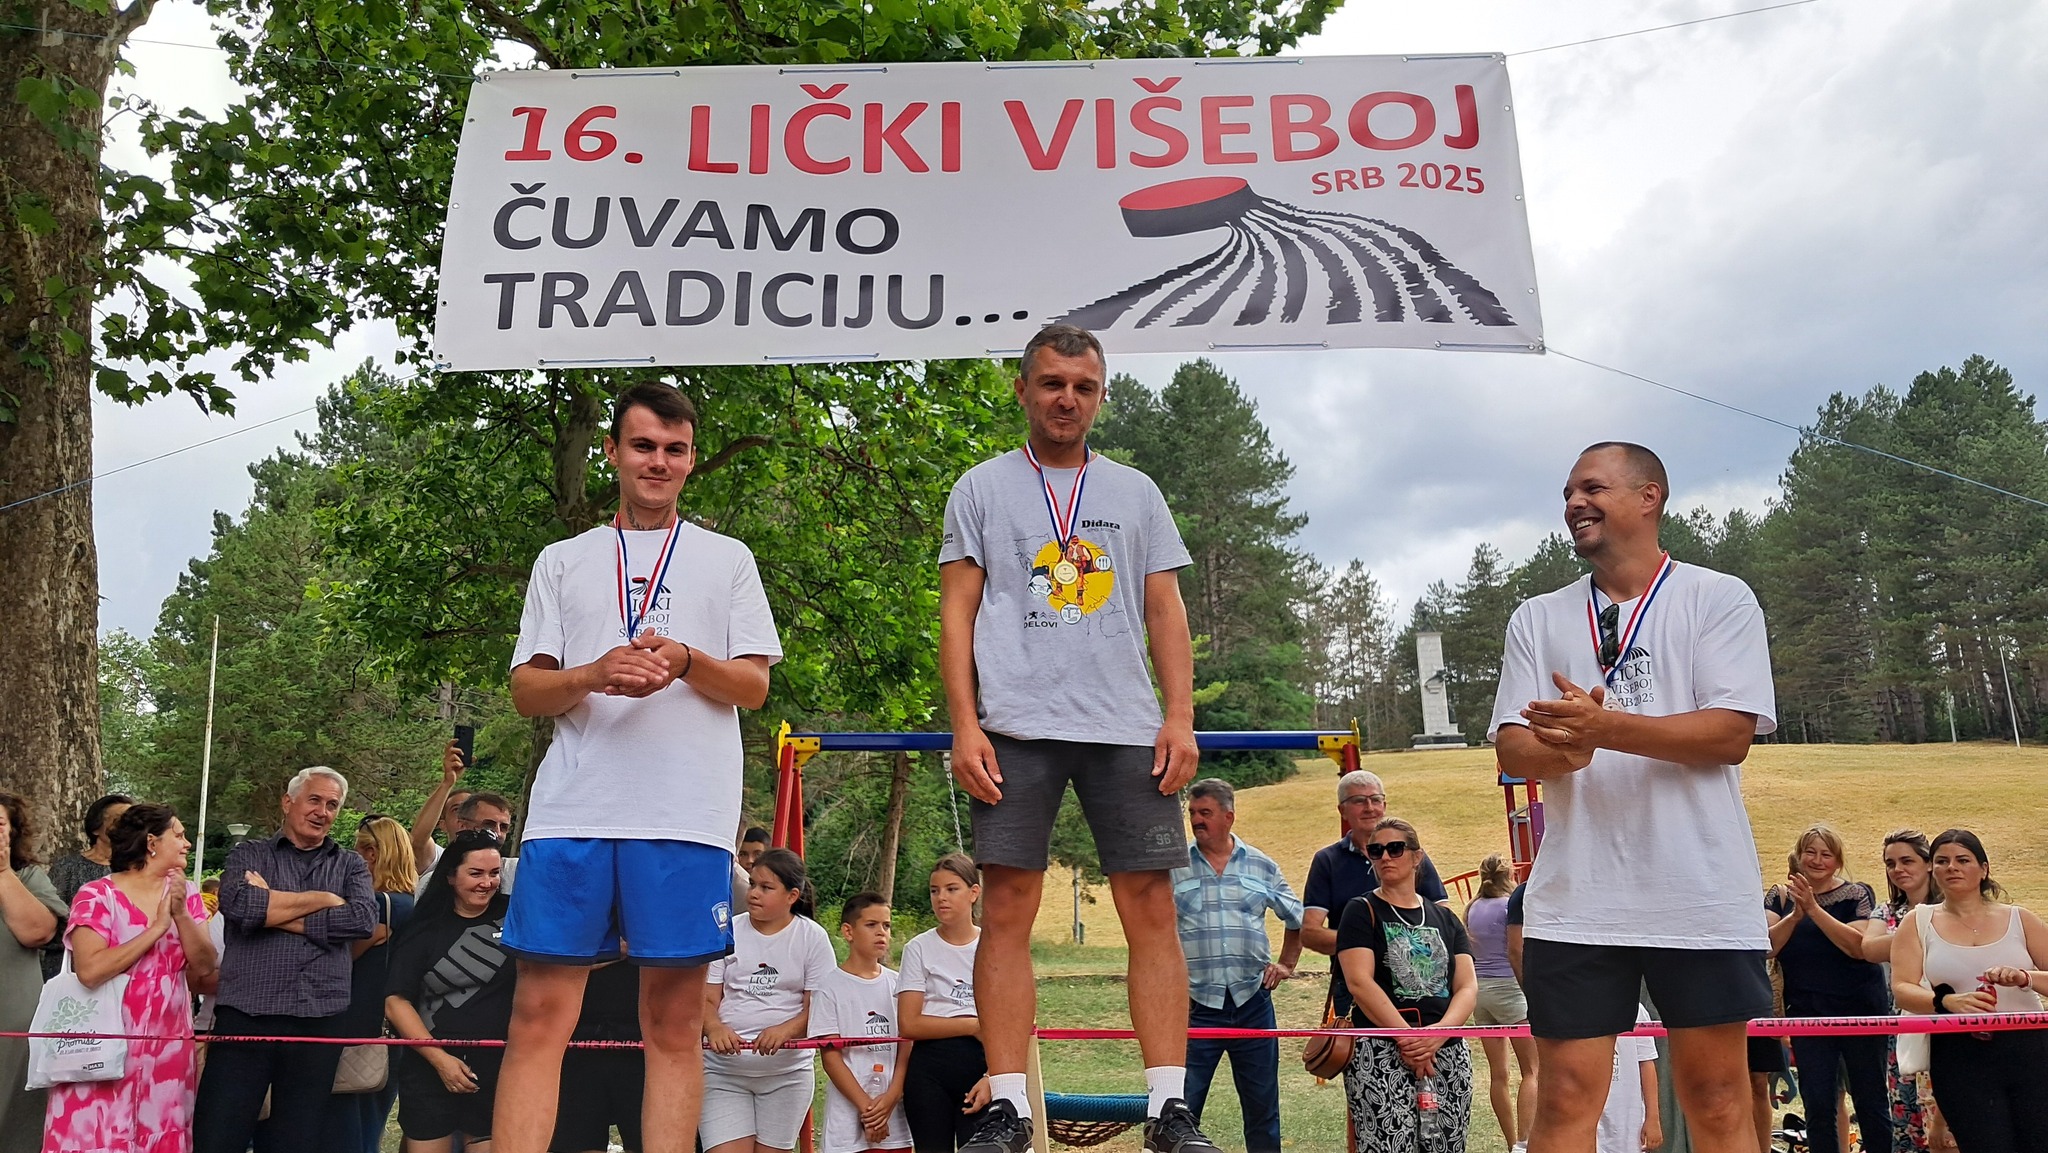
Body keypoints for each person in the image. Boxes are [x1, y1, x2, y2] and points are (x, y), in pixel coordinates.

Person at [939, 323, 1215, 1153]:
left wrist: (1179, 715)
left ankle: (1169, 1108)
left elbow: (1165, 609)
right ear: (1023, 388)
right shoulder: (981, 487)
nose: (1067, 399)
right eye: (1053, 383)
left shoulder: (1136, 491)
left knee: (1151, 907)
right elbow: (956, 612)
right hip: (1014, 727)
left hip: (1126, 725)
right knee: (1006, 909)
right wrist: (964, 724)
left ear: (1101, 395)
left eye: (1083, 386)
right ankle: (1009, 1107)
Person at [492, 381, 783, 1153]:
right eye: (644, 445)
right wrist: (593, 673)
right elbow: (526, 691)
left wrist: (685, 659)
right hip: (573, 812)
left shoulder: (728, 559)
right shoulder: (563, 559)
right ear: (613, 451)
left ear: (691, 459)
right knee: (537, 1016)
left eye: (674, 449)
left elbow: (753, 686)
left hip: (684, 816)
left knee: (673, 1021)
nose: (659, 461)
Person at [1489, 442, 1777, 1153]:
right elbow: (1512, 748)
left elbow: (1730, 734)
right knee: (1563, 1095)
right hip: (1577, 898)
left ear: (1650, 497)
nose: (1574, 503)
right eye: (1567, 493)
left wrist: (1604, 728)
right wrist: (1568, 751)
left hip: (1699, 892)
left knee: (1716, 1098)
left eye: (1592, 487)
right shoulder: (1537, 616)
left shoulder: (1718, 596)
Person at [196, 766, 378, 1153]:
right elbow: (240, 906)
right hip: (247, 1014)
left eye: (332, 805)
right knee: (218, 1134)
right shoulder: (249, 853)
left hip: (320, 1018)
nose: (322, 811)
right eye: (314, 800)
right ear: (288, 802)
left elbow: (362, 920)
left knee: (296, 1140)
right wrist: (324, 900)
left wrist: (272, 909)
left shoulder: (350, 864)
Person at [43, 802, 218, 1153]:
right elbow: (90, 971)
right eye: (179, 835)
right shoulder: (97, 895)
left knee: (162, 1132)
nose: (187, 843)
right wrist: (156, 929)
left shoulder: (187, 893)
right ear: (152, 842)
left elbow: (204, 966)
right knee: (98, 1134)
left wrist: (181, 915)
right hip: (100, 1042)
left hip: (167, 1048)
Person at [1889, 828, 2048, 1153]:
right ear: (1932, 869)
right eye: (1942, 861)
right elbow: (1902, 989)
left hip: (2030, 1049)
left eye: (1963, 860)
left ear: (1984, 869)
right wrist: (1946, 1001)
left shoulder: (2020, 919)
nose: (1952, 868)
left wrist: (2024, 978)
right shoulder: (1918, 922)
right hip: (1959, 1055)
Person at [1169, 778, 1301, 1153]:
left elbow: (1296, 917)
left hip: (1253, 1003)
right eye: (1193, 813)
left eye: (1205, 813)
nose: (1197, 820)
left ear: (1228, 817)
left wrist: (1287, 964)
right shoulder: (1174, 866)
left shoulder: (1261, 864)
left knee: (1262, 1110)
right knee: (1180, 1111)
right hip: (1194, 1007)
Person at [1334, 818, 1477, 1153]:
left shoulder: (1445, 918)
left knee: (1447, 1145)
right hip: (1381, 1052)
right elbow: (1359, 982)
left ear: (1417, 857)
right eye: (1376, 850)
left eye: (1395, 848)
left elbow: (1467, 986)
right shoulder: (1361, 911)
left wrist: (1438, 1034)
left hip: (1446, 1051)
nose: (1385, 856)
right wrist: (1409, 1039)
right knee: (1387, 1145)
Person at [385, 830, 515, 1153]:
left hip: (499, 1068)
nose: (487, 882)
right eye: (476, 873)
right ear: (451, 876)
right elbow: (395, 1001)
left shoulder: (516, 916)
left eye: (494, 873)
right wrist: (440, 1060)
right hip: (428, 1068)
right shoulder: (423, 926)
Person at [701, 848, 836, 1153]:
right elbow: (706, 998)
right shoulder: (727, 930)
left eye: (766, 887)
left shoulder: (813, 937)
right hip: (722, 1074)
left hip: (787, 1076)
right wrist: (714, 1027)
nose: (753, 894)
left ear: (792, 896)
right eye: (752, 884)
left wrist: (785, 1030)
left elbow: (820, 1008)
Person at [1764, 824, 1889, 1153]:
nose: (1817, 861)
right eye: (1810, 852)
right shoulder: (1780, 896)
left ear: (1838, 861)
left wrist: (1814, 910)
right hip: (1807, 1011)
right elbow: (1767, 947)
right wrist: (1795, 915)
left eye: (1826, 854)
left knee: (1870, 1097)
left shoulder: (1856, 894)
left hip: (1860, 1007)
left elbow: (1857, 947)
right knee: (1818, 1101)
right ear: (1799, 856)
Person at [1303, 770, 1450, 1020]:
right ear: (1342, 810)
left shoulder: (1411, 856)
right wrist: (1366, 945)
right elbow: (1310, 933)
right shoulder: (1328, 861)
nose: (1369, 808)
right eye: (1359, 801)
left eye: (1375, 799)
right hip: (1353, 986)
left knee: (1424, 1041)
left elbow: (1444, 919)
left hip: (1417, 982)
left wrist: (1396, 945)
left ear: (1385, 805)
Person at [325, 816, 420, 1153]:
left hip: (358, 1024)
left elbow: (342, 958)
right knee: (371, 1123)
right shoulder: (413, 904)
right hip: (391, 1028)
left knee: (346, 1127)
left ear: (372, 854)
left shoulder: (379, 907)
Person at [898, 854, 990, 1153]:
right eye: (934, 890)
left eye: (952, 889)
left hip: (982, 1065)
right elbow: (909, 1023)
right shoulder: (918, 948)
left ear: (973, 893)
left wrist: (992, 1077)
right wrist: (972, 1025)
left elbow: (1015, 1021)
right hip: (929, 1069)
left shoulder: (994, 946)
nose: (941, 898)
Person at [815, 892, 912, 1153]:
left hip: (895, 1120)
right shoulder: (829, 987)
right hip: (847, 1123)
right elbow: (831, 1058)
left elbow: (907, 1045)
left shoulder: (898, 984)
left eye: (886, 925)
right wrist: (868, 1111)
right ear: (848, 931)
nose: (881, 932)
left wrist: (892, 1096)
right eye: (871, 925)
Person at [1862, 830, 1939, 1153]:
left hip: (1946, 1018)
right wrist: (1921, 933)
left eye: (1907, 860)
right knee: (1907, 1111)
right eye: (1891, 863)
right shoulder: (1887, 911)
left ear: (1928, 863)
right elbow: (1869, 948)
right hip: (1902, 1021)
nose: (1898, 869)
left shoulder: (1949, 907)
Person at [0, 793, 65, 1153]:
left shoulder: (27, 877)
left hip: (12, 1024)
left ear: (12, 832)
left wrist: (2, 873)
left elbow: (39, 933)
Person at [1465, 854, 1537, 1153]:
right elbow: (1518, 948)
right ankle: (1525, 1140)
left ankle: (1510, 1143)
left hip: (1480, 991)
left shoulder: (1472, 907)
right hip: (1510, 987)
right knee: (1532, 1070)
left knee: (1499, 1074)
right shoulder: (1511, 906)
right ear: (1509, 875)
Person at [552, 955, 646, 1153]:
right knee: (579, 1143)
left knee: (646, 1142)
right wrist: (613, 950)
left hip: (643, 1043)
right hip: (575, 1042)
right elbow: (551, 965)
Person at [42, 793, 130, 980]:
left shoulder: (137, 869)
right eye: (118, 819)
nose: (127, 825)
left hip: (124, 964)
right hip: (71, 969)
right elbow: (49, 920)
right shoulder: (68, 867)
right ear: (96, 828)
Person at [413, 793, 516, 898]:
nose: (498, 833)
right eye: (488, 824)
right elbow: (418, 841)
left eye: (504, 827)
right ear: (462, 825)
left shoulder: (516, 870)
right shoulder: (429, 883)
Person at [1597, 1007, 1662, 1153]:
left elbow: (1646, 1063)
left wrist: (1653, 1118)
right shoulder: (1575, 1009)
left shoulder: (1636, 1011)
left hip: (1628, 1120)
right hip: (1587, 1118)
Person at [409, 741, 473, 876]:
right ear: (442, 824)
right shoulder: (437, 859)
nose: (465, 817)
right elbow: (417, 841)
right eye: (457, 810)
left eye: (471, 810)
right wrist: (447, 783)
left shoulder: (499, 866)